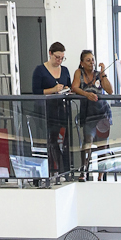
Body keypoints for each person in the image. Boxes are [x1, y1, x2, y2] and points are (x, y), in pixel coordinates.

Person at [32, 41, 72, 175]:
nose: (59, 61)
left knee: (65, 141)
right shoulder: (40, 70)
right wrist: (53, 90)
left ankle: (65, 169)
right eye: (57, 57)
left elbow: (70, 86)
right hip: (46, 110)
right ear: (50, 54)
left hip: (62, 110)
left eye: (62, 58)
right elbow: (36, 91)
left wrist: (66, 90)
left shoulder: (65, 70)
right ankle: (55, 169)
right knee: (51, 140)